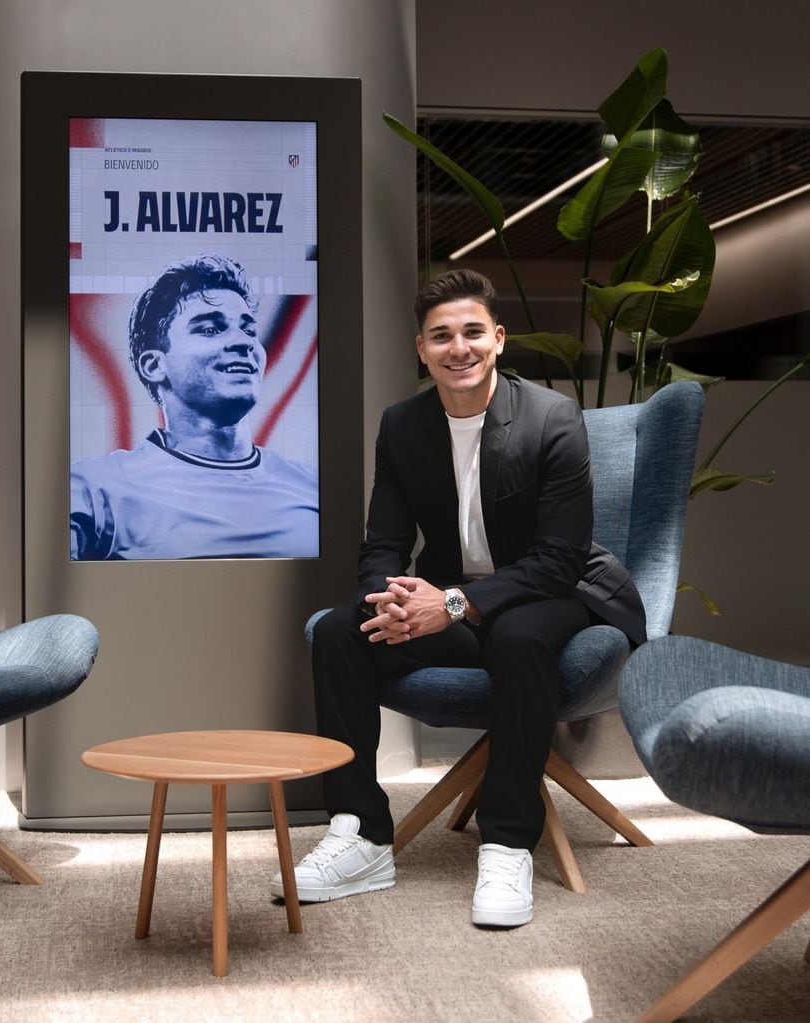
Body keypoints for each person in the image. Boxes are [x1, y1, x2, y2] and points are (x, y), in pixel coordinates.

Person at [270, 268, 646, 928]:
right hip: (448, 594)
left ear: (497, 339)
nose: (459, 347)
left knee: (518, 634)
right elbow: (383, 542)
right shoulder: (402, 425)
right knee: (337, 630)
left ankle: (505, 841)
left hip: (553, 590)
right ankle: (360, 834)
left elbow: (558, 559)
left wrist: (447, 605)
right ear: (421, 349)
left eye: (472, 331)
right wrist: (386, 599)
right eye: (441, 336)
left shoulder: (551, 417)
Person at [70, 253, 318, 560]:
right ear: (154, 365)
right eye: (211, 328)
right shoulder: (94, 487)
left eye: (249, 330)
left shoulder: (313, 485)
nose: (244, 343)